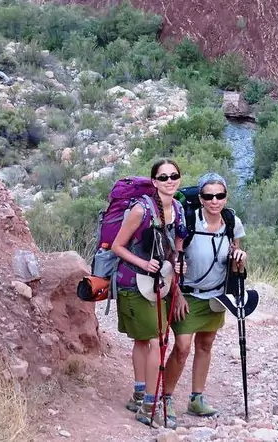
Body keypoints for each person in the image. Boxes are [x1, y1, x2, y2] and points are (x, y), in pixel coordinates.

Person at [162, 172, 247, 426]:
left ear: (225, 196)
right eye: (208, 196)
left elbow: (234, 258)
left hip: (216, 295)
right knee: (182, 348)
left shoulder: (232, 222)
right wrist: (176, 295)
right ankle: (165, 398)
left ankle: (196, 398)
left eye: (219, 195)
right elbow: (172, 259)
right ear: (200, 198)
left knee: (206, 344)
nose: (214, 201)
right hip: (187, 295)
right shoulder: (188, 222)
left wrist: (240, 258)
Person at [111, 158, 187, 428]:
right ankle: (150, 404)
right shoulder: (140, 210)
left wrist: (178, 263)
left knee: (146, 341)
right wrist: (144, 263)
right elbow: (117, 246)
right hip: (133, 282)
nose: (170, 181)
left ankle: (140, 392)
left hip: (160, 283)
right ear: (154, 181)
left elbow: (176, 247)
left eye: (174, 176)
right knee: (154, 340)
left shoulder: (178, 209)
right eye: (163, 177)